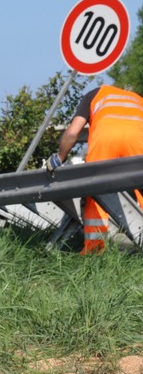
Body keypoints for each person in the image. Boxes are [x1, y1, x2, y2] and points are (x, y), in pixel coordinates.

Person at [46, 85, 143, 254]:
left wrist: (59, 158)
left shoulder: (95, 94)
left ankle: (94, 250)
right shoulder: (137, 99)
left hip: (105, 138)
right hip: (138, 137)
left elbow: (72, 133)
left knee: (96, 192)